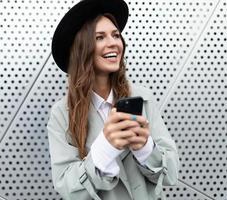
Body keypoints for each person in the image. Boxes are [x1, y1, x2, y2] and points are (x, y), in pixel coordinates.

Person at [47, 0, 179, 199]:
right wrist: (105, 149)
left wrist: (145, 148)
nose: (113, 43)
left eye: (116, 35)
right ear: (82, 49)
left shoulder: (142, 98)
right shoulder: (61, 114)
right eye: (100, 37)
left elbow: (170, 174)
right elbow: (66, 187)